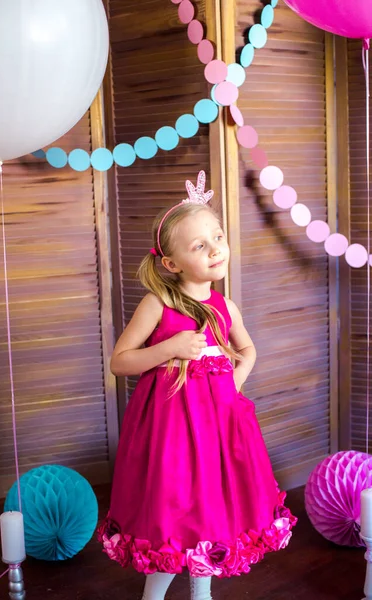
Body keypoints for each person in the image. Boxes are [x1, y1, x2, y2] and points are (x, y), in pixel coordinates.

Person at [98, 171, 296, 600]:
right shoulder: (159, 304)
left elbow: (248, 351)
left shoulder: (225, 305)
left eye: (217, 237)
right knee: (173, 509)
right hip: (170, 433)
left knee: (211, 509)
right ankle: (155, 590)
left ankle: (201, 593)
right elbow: (119, 361)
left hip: (219, 430)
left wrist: (230, 384)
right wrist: (168, 348)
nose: (215, 249)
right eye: (199, 245)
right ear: (171, 263)